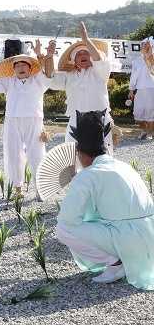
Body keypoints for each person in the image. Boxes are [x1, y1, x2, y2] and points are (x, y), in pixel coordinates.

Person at [55, 110, 154, 288]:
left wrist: (75, 185)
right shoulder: (123, 166)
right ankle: (122, 260)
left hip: (129, 240)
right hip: (149, 237)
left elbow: (68, 219)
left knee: (63, 229)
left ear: (79, 152)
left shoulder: (87, 176)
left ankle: (116, 264)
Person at [0, 39, 55, 196]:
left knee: (37, 154)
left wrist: (49, 56)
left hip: (34, 121)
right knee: (13, 153)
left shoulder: (37, 80)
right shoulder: (9, 81)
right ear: (13, 69)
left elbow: (49, 74)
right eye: (18, 66)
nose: (21, 68)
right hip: (12, 121)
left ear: (30, 68)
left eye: (24, 65)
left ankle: (40, 189)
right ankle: (17, 189)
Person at [50, 22, 114, 153]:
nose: (83, 55)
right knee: (73, 157)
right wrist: (49, 57)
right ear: (74, 60)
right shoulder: (69, 75)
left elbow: (99, 60)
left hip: (100, 120)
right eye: (79, 54)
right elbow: (51, 80)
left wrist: (86, 40)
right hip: (76, 121)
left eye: (86, 52)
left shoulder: (100, 72)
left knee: (103, 157)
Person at [129, 37, 154, 140]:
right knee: (137, 114)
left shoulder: (152, 59)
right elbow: (133, 76)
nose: (143, 46)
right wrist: (131, 89)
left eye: (146, 45)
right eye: (143, 45)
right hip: (139, 89)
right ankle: (144, 131)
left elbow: (152, 70)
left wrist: (148, 57)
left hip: (151, 88)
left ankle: (150, 133)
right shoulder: (136, 61)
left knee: (150, 112)